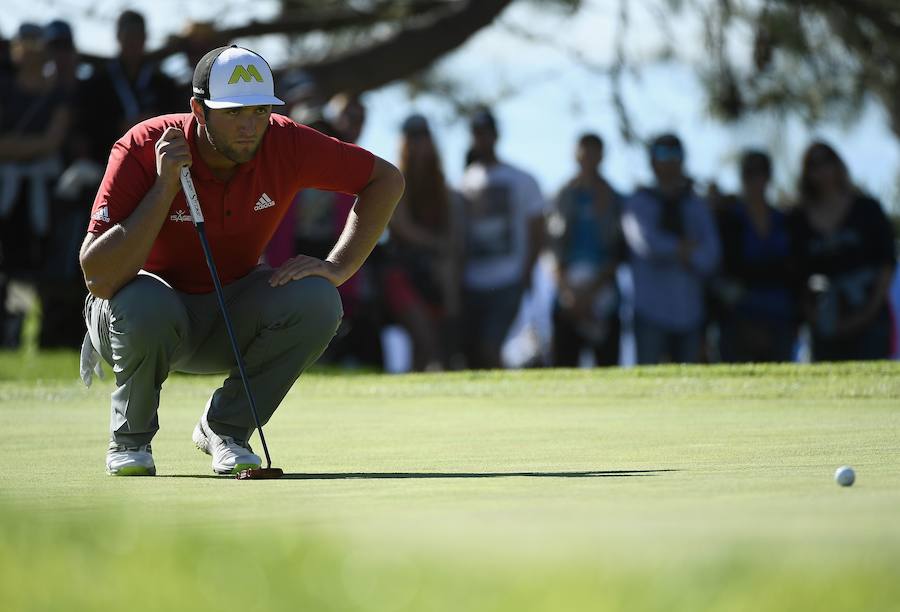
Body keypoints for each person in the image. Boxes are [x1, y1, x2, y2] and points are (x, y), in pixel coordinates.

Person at [79, 46, 404, 476]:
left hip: (229, 314)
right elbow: (99, 278)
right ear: (199, 109)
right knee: (145, 303)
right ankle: (130, 440)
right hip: (138, 316)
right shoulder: (143, 145)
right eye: (233, 113)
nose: (250, 127)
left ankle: (225, 429)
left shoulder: (285, 142)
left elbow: (385, 180)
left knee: (319, 299)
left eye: (259, 111)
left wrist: (338, 267)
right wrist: (163, 188)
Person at [789, 141, 896, 361]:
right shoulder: (797, 220)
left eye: (827, 161)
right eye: (814, 165)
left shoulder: (867, 209)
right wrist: (814, 316)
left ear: (838, 165)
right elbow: (796, 274)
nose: (822, 170)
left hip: (870, 316)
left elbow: (886, 262)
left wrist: (868, 312)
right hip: (825, 320)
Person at [0, 22, 71, 347]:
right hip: (8, 190)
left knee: (38, 260)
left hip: (42, 190)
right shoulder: (5, 88)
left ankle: (35, 332)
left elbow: (52, 141)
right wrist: (28, 146)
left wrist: (17, 146)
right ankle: (10, 330)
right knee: (10, 260)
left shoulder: (57, 92)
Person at [459, 107, 546, 369]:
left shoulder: (522, 179)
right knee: (473, 352)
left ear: (496, 135)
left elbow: (537, 228)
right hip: (472, 281)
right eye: (477, 133)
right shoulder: (464, 181)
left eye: (486, 132)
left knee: (491, 346)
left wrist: (528, 270)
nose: (482, 138)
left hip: (509, 278)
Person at [621, 133, 720, 364]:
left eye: (675, 154)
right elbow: (647, 244)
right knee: (647, 387)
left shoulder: (695, 204)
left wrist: (684, 253)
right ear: (652, 161)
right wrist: (683, 248)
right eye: (662, 154)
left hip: (690, 312)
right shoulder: (639, 202)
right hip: (650, 311)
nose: (670, 161)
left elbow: (711, 254)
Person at [387, 113, 461, 370]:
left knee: (437, 343)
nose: (418, 143)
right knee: (423, 339)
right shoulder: (395, 179)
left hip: (433, 274)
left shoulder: (440, 185)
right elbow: (403, 228)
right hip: (402, 272)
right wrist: (437, 244)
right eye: (412, 137)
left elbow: (451, 233)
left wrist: (443, 251)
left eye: (423, 136)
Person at [712, 150, 798, 362]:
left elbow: (793, 268)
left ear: (768, 176)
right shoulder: (729, 220)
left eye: (761, 172)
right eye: (749, 173)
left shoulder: (785, 221)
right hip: (738, 318)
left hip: (780, 315)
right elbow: (725, 269)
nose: (755, 179)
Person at [547, 133, 624, 367]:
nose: (588, 157)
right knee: (564, 369)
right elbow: (552, 249)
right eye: (583, 151)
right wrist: (569, 294)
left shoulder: (614, 198)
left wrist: (592, 294)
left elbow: (617, 251)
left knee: (608, 368)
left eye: (593, 151)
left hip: (603, 295)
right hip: (568, 293)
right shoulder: (562, 196)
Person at [81, 10, 182, 166]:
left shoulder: (163, 83)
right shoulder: (98, 82)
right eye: (129, 35)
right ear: (118, 36)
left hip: (156, 163)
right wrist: (118, 126)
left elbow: (176, 120)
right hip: (108, 162)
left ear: (145, 37)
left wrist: (152, 122)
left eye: (138, 35)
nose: (133, 41)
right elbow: (89, 126)